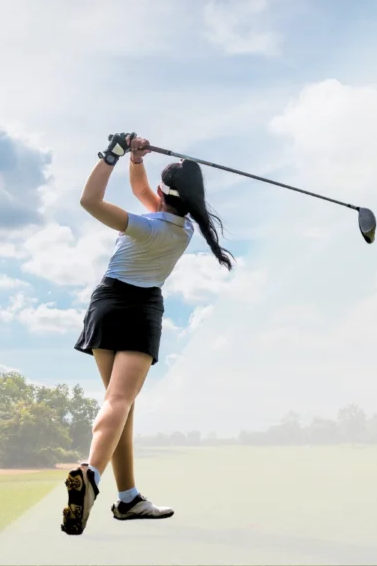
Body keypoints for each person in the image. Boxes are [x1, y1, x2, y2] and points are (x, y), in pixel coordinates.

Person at [61, 132, 233, 536]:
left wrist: (113, 155)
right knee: (121, 402)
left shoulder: (143, 226)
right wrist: (137, 161)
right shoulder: (183, 228)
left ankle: (125, 496)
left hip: (107, 304)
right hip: (142, 311)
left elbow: (89, 201)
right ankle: (94, 477)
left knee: (119, 403)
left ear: (163, 191)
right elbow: (143, 189)